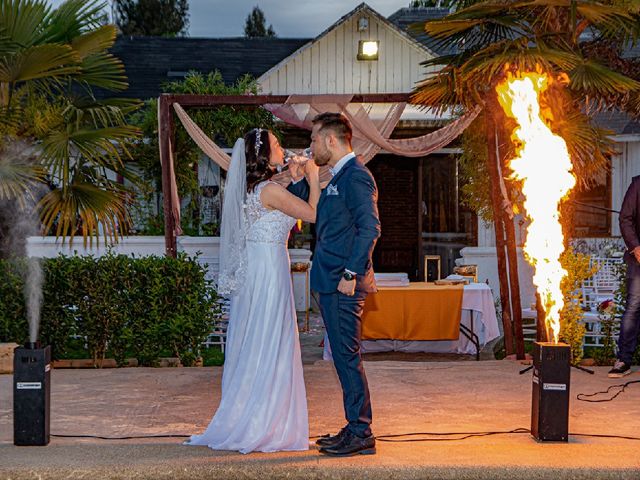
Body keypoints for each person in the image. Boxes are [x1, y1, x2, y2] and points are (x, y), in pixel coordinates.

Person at [186, 128, 320, 453]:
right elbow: (313, 213)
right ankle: (264, 422)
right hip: (269, 271)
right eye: (276, 144)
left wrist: (291, 173)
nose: (282, 146)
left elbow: (276, 191)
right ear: (262, 154)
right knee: (270, 339)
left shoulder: (254, 188)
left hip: (257, 269)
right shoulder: (270, 190)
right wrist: (314, 177)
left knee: (256, 339)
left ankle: (253, 414)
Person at [289, 112, 381, 456]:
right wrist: (300, 182)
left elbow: (370, 229)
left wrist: (350, 274)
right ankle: (354, 426)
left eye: (314, 139)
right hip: (330, 282)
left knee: (347, 357)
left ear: (331, 139)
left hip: (344, 285)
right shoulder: (336, 177)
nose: (310, 146)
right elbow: (319, 216)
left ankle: (361, 432)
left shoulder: (357, 176)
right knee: (343, 359)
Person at [611, 176, 640, 378]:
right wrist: (635, 247)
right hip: (639, 259)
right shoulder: (638, 184)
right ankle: (623, 360)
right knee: (633, 307)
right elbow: (625, 218)